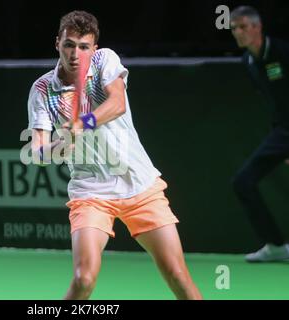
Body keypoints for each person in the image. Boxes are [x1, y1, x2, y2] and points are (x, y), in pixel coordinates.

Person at [26, 10, 202, 299]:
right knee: (83, 280)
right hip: (91, 192)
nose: (75, 53)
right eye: (69, 44)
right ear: (57, 42)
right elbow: (38, 151)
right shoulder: (43, 89)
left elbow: (118, 103)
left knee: (178, 276)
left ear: (93, 48)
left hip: (140, 184)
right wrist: (59, 146)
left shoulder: (105, 59)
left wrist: (84, 122)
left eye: (83, 47)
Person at [230, 6, 289, 262]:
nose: (238, 33)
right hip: (283, 133)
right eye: (233, 28)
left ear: (258, 27)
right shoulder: (249, 61)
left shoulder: (284, 52)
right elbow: (272, 101)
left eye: (243, 27)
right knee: (243, 182)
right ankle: (275, 246)